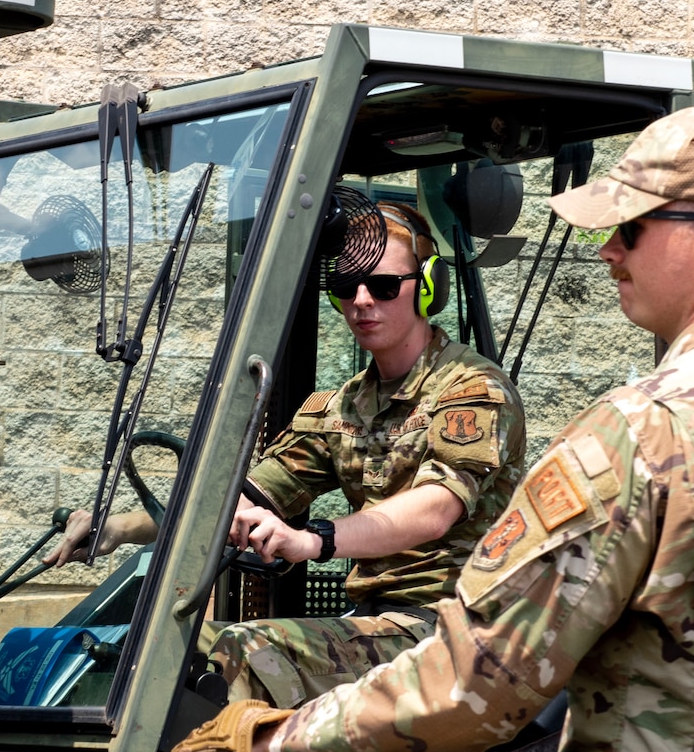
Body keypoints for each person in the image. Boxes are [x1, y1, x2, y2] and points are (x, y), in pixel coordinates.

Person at [171, 105, 694, 752]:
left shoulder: (644, 436)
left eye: (631, 228)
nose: (607, 251)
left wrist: (269, 739)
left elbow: (475, 686)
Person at [51, 202, 527, 709]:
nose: (362, 301)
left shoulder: (473, 389)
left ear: (428, 286)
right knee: (159, 644)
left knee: (243, 650)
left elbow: (436, 508)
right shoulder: (341, 406)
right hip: (374, 622)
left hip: (457, 629)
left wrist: (311, 540)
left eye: (385, 286)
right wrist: (119, 529)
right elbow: (242, 494)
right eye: (346, 286)